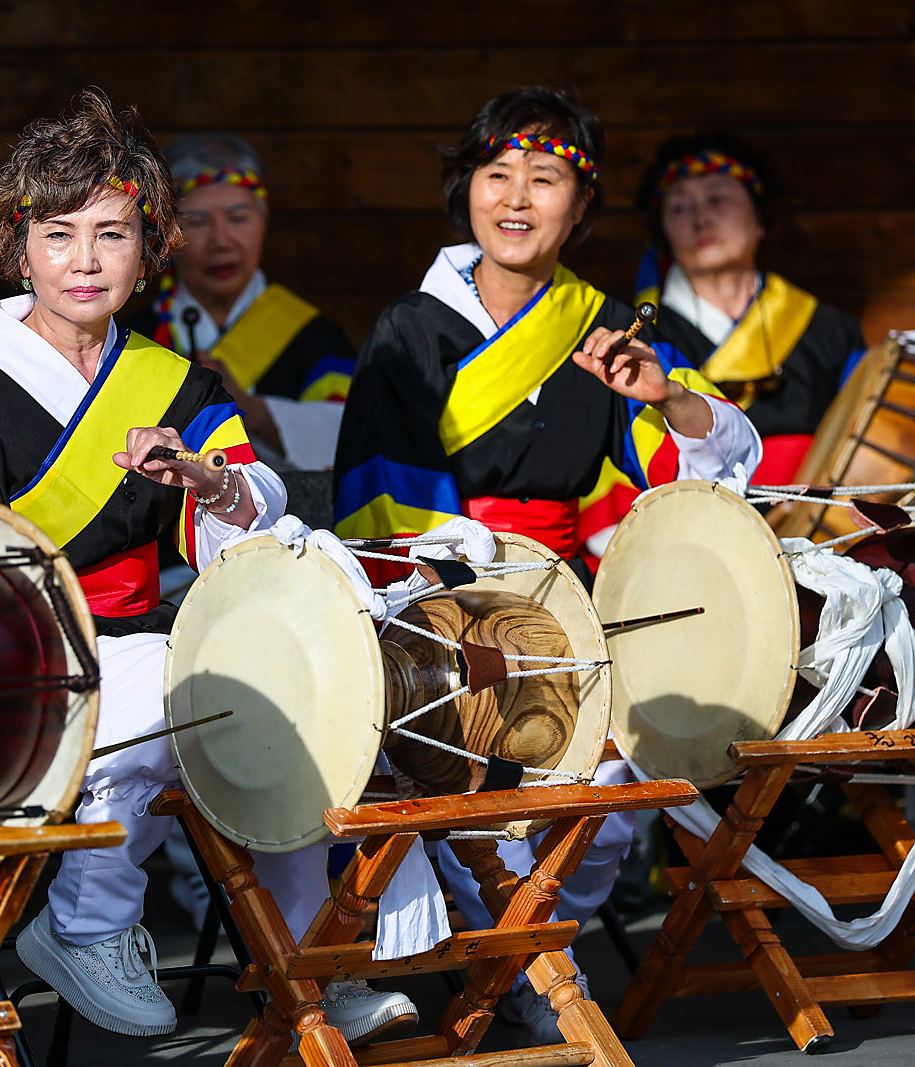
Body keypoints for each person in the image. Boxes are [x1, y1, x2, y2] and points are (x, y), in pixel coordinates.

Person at [0, 88, 426, 1045]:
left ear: (149, 247)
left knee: (284, 695)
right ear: (16, 245)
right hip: (17, 670)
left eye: (111, 235)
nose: (83, 261)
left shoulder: (178, 384)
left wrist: (207, 480)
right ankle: (87, 921)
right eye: (58, 234)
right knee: (188, 680)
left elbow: (252, 517)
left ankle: (312, 965)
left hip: (139, 658)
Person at [330, 86, 762, 1044]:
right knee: (461, 766)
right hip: (439, 610)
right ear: (466, 191)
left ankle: (526, 955)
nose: (517, 198)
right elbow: (383, 505)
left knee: (613, 778)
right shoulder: (410, 328)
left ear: (581, 202)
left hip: (574, 606)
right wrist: (491, 607)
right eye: (496, 175)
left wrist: (667, 400)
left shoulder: (607, 326)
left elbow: (698, 477)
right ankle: (519, 962)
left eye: (546, 177)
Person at [578, 134, 866, 555]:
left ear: (759, 220)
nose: (700, 219)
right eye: (679, 208)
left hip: (824, 545)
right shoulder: (637, 339)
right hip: (688, 550)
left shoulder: (830, 331)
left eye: (718, 200)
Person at [126, 133, 355, 472]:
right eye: (198, 222)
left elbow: (351, 434)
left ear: (264, 222)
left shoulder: (316, 338)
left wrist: (254, 410)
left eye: (238, 218)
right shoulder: (137, 338)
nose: (222, 241)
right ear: (167, 234)